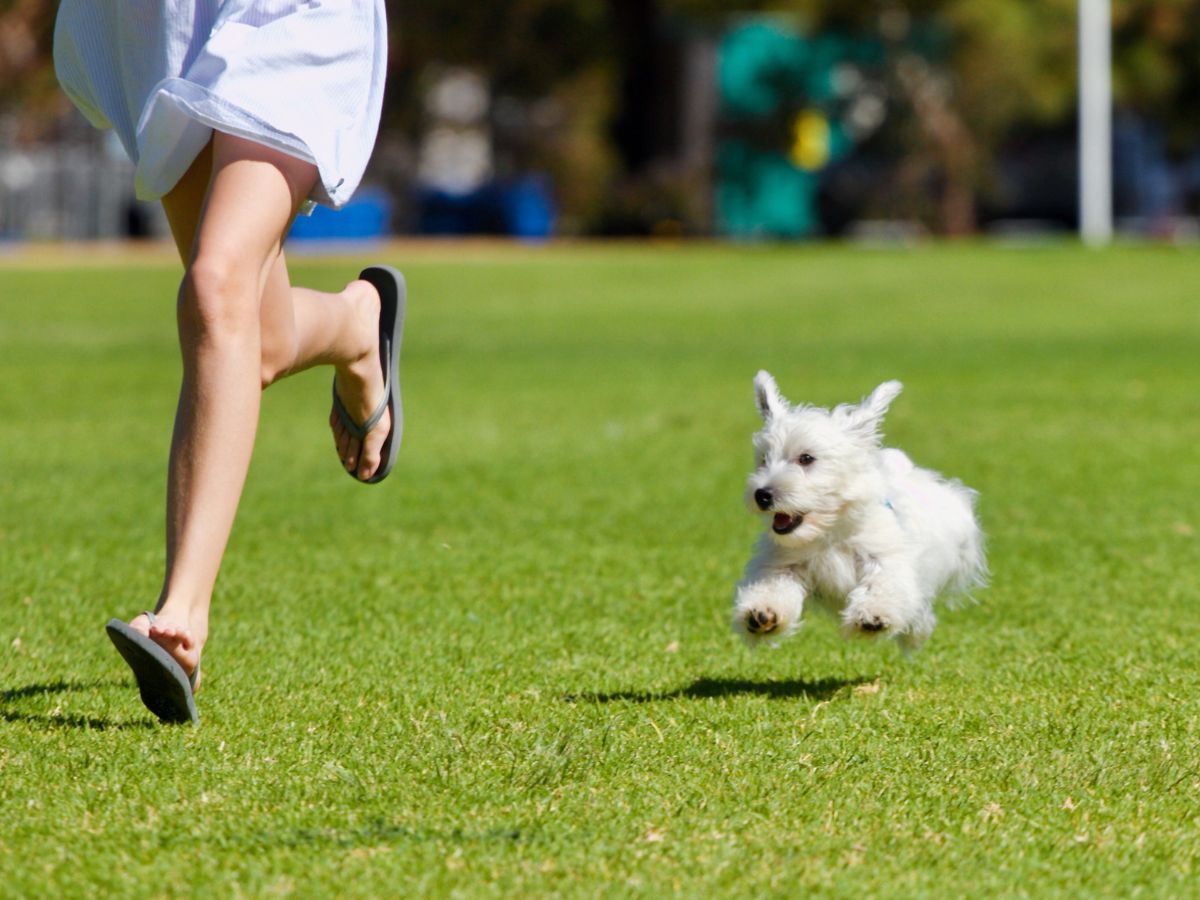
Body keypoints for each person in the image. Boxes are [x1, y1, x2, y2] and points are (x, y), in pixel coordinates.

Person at [53, 1, 403, 724]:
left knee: (215, 289)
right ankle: (355, 324)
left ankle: (182, 613)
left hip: (288, 13)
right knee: (257, 341)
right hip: (160, 22)